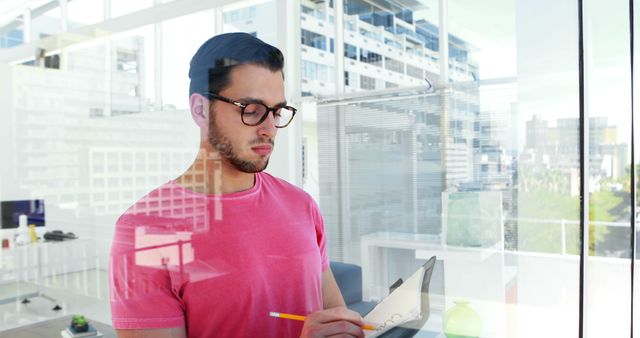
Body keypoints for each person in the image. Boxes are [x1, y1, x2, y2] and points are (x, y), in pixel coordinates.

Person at [109, 32, 366, 338]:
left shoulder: (302, 205)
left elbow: (335, 319)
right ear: (200, 110)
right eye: (252, 110)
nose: (270, 129)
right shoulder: (145, 231)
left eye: (277, 111)